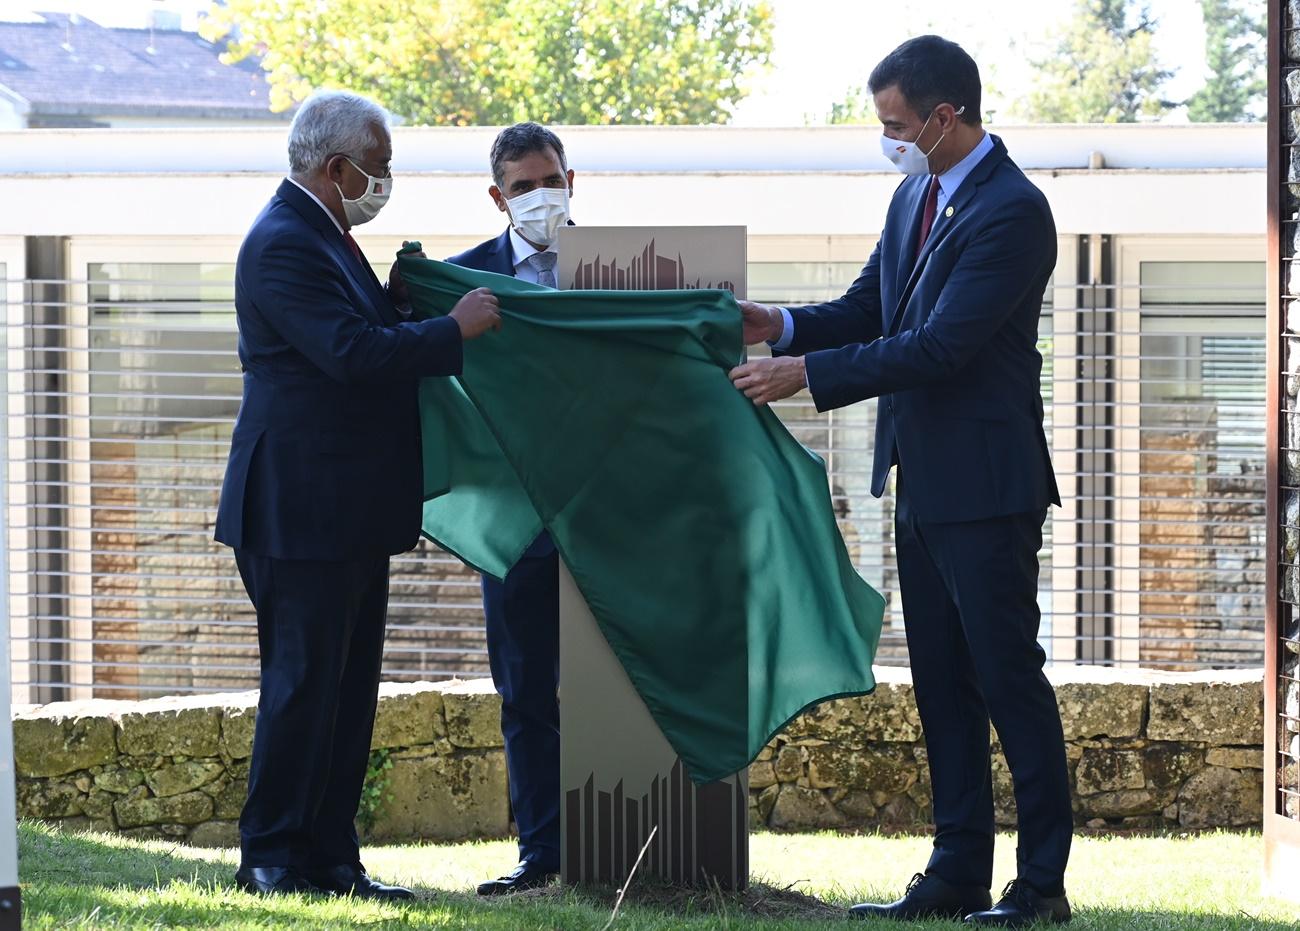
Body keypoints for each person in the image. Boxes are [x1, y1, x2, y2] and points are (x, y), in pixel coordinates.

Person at [729, 36, 1072, 928]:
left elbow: (940, 346)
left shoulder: (1013, 210)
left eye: (897, 125)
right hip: (921, 482)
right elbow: (871, 309)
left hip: (989, 487)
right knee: (940, 682)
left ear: (945, 117)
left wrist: (806, 376)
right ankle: (956, 868)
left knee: (1005, 678)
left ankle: (1041, 885)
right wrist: (781, 322)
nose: (889, 139)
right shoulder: (914, 192)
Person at [214, 90, 501, 898]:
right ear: (335, 168)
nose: (384, 181)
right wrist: (455, 329)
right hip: (296, 505)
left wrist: (406, 299)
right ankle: (271, 855)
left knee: (346, 691)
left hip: (346, 506)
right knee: (302, 686)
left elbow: (364, 327)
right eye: (376, 168)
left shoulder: (325, 234)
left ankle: (333, 857)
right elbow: (349, 352)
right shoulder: (282, 242)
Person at [445, 121, 574, 896]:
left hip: (620, 515)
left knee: (633, 673)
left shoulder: (626, 269)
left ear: (571, 182)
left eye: (548, 180)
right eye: (522, 187)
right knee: (527, 689)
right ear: (499, 198)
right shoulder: (465, 283)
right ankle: (543, 853)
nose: (538, 196)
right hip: (517, 520)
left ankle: (649, 837)